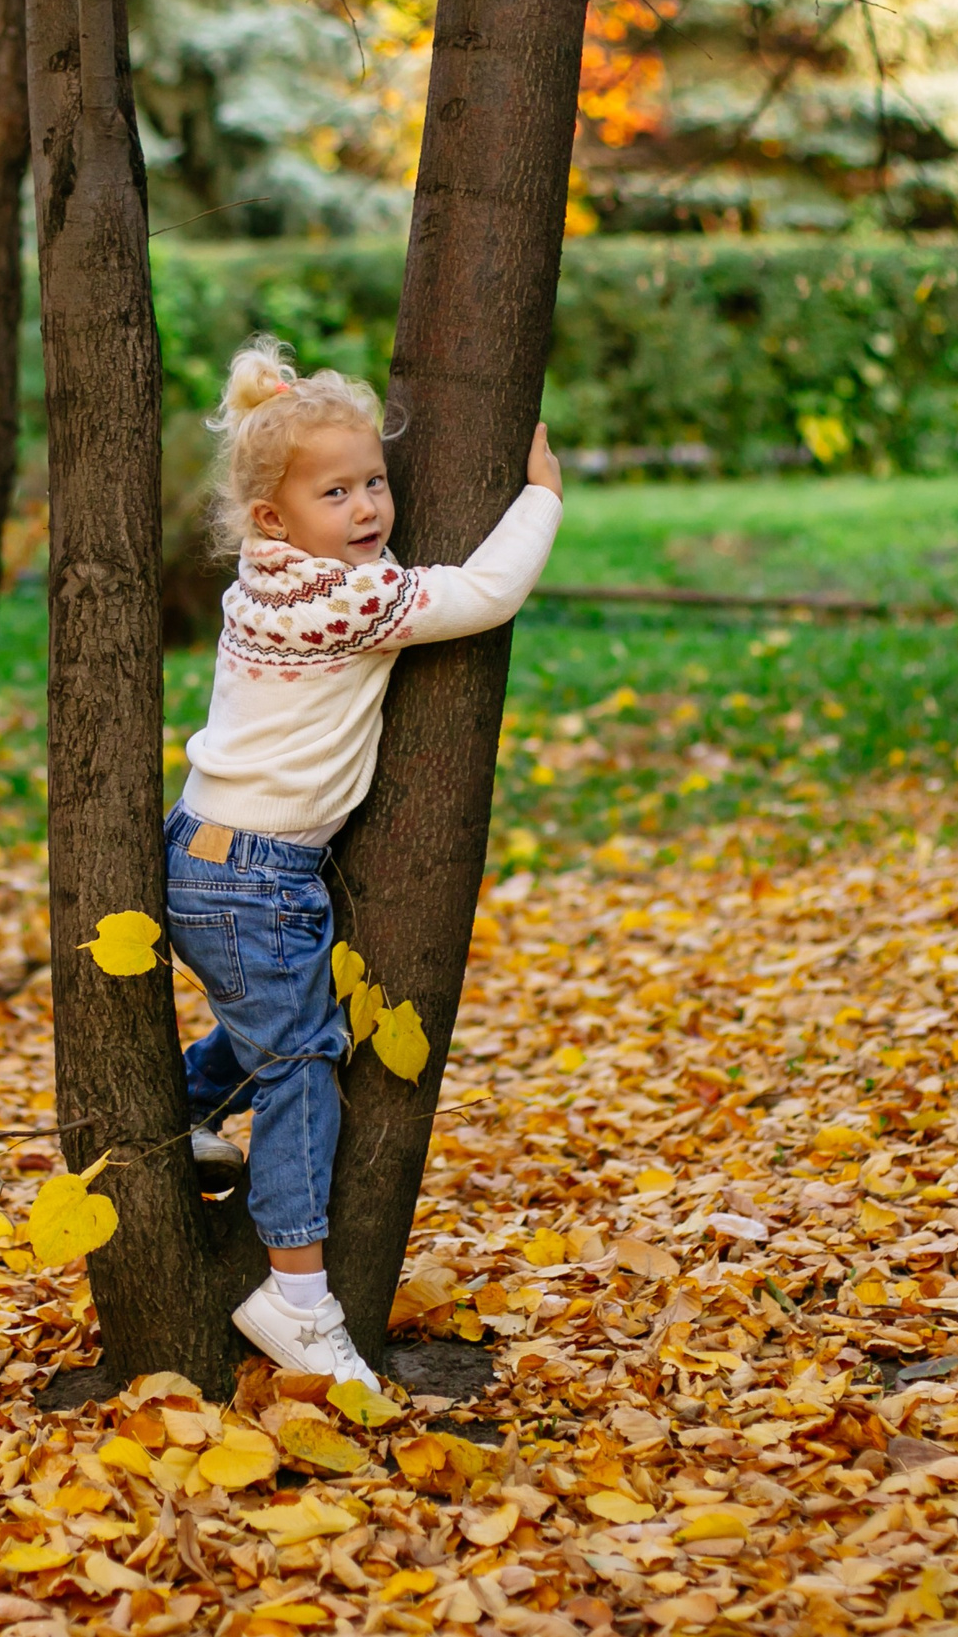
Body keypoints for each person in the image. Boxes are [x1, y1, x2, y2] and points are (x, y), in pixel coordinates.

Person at [168, 334, 564, 1388]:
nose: (367, 510)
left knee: (284, 1024)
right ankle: (295, 1294)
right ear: (271, 519)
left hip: (216, 850)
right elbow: (483, 595)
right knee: (303, 1059)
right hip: (252, 865)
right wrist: (541, 502)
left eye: (372, 483)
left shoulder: (276, 576)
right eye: (333, 492)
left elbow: (368, 558)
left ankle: (179, 1111)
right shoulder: (346, 605)